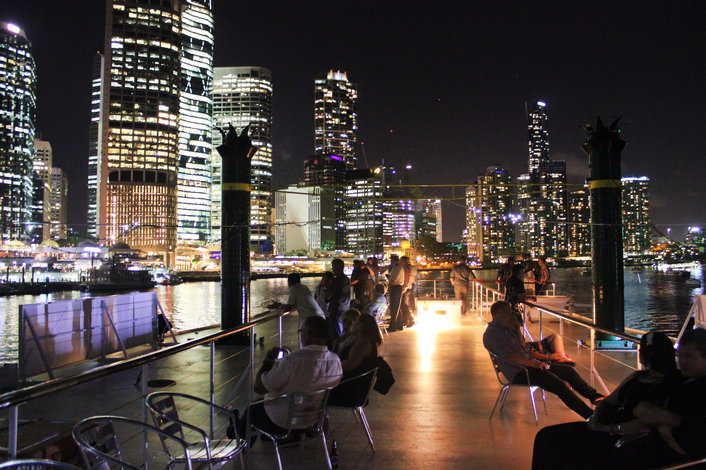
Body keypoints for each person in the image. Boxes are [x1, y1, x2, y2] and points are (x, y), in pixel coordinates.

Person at [533, 328, 706, 470]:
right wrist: (595, 420)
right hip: (613, 429)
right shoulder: (649, 378)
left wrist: (608, 428)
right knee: (546, 437)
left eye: (689, 356)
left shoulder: (677, 383)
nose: (682, 362)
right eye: (680, 355)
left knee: (566, 453)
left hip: (630, 441)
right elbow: (615, 403)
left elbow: (656, 425)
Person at [483, 301, 603, 419]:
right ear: (499, 312)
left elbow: (523, 348)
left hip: (529, 366)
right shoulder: (493, 333)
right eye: (508, 312)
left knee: (568, 371)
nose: (511, 315)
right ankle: (591, 417)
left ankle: (596, 397)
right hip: (520, 372)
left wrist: (517, 328)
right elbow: (508, 356)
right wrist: (533, 364)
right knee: (559, 386)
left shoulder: (506, 329)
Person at [235, 316, 343, 439]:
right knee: (256, 408)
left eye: (301, 332)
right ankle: (238, 429)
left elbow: (260, 388)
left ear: (307, 334)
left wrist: (268, 361)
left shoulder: (294, 361)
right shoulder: (335, 361)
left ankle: (236, 435)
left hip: (282, 423)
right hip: (312, 421)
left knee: (253, 408)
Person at [328, 314, 382, 406]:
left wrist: (330, 367)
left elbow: (350, 364)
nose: (353, 324)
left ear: (361, 326)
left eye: (356, 322)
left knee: (316, 390)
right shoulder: (360, 340)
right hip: (352, 386)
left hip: (350, 390)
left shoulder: (363, 343)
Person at [327, 259, 350, 343]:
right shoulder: (346, 279)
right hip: (345, 308)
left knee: (335, 335)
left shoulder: (336, 280)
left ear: (337, 268)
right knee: (342, 333)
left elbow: (329, 295)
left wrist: (325, 285)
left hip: (336, 309)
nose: (332, 269)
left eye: (333, 267)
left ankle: (336, 349)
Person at [386, 255, 405, 331]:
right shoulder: (395, 267)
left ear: (394, 260)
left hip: (396, 287)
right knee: (397, 307)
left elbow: (395, 279)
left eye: (391, 260)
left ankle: (393, 326)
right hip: (395, 287)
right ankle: (399, 324)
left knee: (394, 307)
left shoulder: (398, 267)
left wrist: (387, 286)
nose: (390, 261)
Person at [400, 256, 416, 327]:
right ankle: (407, 320)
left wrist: (404, 287)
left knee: (405, 305)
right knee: (408, 304)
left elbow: (407, 278)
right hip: (411, 286)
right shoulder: (412, 267)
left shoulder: (406, 268)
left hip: (406, 288)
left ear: (404, 261)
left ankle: (410, 320)